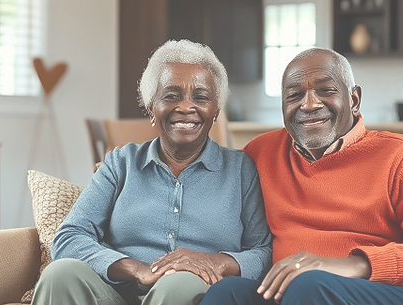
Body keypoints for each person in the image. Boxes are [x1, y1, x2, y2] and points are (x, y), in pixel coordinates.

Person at [199, 48, 403, 305]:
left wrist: (355, 264)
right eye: (294, 95)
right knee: (227, 294)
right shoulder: (261, 153)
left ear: (354, 99)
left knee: (308, 285)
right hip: (299, 293)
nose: (309, 105)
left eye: (325, 90)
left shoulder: (401, 156)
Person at [31, 40, 272, 305]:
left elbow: (263, 251)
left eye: (200, 97)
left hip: (190, 292)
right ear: (150, 107)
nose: (185, 107)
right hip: (116, 291)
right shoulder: (121, 163)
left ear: (215, 111)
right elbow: (69, 236)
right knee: (60, 273)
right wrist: (137, 269)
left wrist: (216, 261)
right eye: (171, 95)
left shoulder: (240, 170)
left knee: (179, 283)